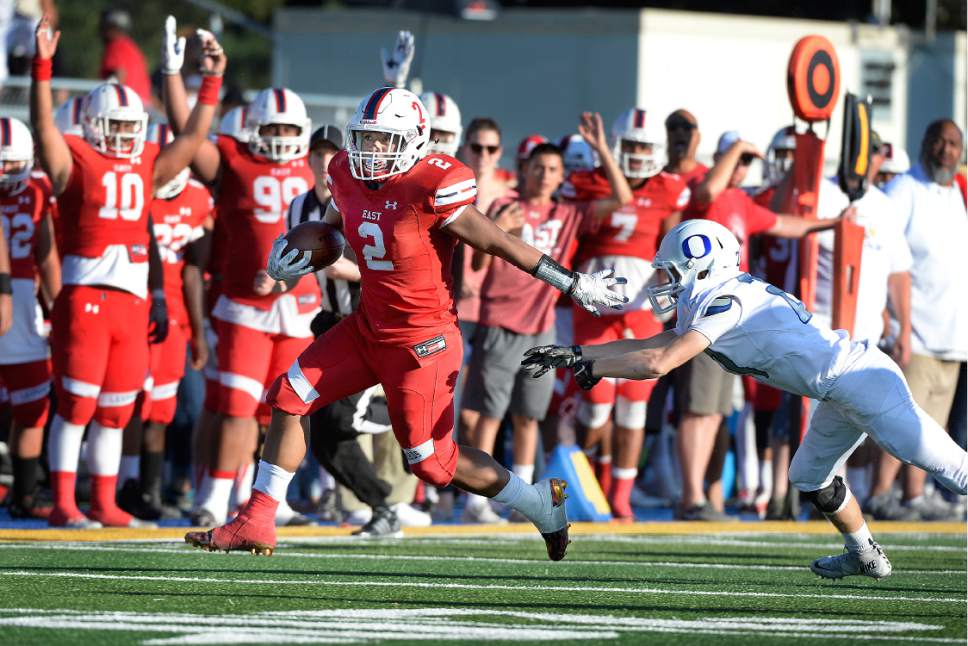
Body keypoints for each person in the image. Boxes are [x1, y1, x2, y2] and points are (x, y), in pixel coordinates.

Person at [185, 87, 628, 560]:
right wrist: (297, 256)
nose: (371, 151)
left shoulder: (431, 185)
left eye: (384, 141)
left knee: (432, 464)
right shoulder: (346, 173)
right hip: (367, 326)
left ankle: (538, 503)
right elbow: (333, 232)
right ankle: (257, 519)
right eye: (366, 138)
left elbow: (500, 243)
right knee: (288, 396)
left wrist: (573, 282)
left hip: (424, 342)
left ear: (415, 141)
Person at [523, 218, 968, 579]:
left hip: (863, 381)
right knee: (809, 475)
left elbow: (660, 361)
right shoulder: (720, 297)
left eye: (672, 271)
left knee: (950, 468)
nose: (666, 282)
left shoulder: (726, 300)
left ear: (702, 266)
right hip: (837, 390)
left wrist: (595, 368)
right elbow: (659, 340)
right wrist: (578, 354)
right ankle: (863, 554)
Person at [31, 15, 223, 528]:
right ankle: (67, 503)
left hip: (133, 303)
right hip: (87, 295)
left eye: (128, 127)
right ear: (94, 124)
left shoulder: (146, 163)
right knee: (75, 405)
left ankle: (105, 501)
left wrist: (209, 82)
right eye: (114, 125)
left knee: (117, 411)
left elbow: (192, 136)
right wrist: (42, 69)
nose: (121, 134)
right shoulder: (75, 158)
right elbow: (45, 128)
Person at [161, 19, 319, 527]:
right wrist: (184, 78)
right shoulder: (233, 160)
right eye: (270, 128)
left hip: (299, 308)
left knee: (285, 410)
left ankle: (271, 499)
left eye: (287, 129)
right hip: (246, 306)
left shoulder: (324, 169)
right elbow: (188, 136)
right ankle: (213, 495)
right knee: (233, 403)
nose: (278, 138)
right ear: (253, 129)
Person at [673, 130, 851, 520]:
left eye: (746, 161)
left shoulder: (740, 200)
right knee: (697, 409)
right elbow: (705, 192)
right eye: (736, 159)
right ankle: (690, 496)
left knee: (715, 411)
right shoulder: (708, 191)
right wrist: (736, 149)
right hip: (701, 306)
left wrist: (830, 223)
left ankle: (701, 498)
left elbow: (786, 224)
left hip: (729, 315)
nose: (742, 167)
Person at [461, 118, 632, 523]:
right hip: (501, 321)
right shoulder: (506, 205)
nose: (545, 175)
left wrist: (602, 148)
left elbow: (622, 197)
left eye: (554, 169)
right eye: (538, 167)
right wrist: (500, 228)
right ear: (525, 169)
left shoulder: (569, 212)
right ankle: (476, 500)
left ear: (562, 176)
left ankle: (519, 497)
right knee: (489, 415)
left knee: (529, 416)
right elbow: (478, 260)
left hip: (542, 325)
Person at [561, 108, 688, 519]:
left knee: (634, 407)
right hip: (595, 302)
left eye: (643, 145)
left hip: (642, 305)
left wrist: (666, 285)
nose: (636, 153)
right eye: (630, 144)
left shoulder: (670, 188)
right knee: (596, 404)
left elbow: (674, 246)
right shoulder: (586, 182)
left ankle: (620, 494)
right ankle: (591, 475)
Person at [868, 119, 967, 521]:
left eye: (954, 144)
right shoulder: (903, 190)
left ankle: (912, 497)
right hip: (916, 332)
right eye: (939, 141)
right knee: (902, 422)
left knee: (932, 431)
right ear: (925, 143)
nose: (946, 150)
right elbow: (884, 257)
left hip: (952, 333)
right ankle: (878, 495)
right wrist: (894, 323)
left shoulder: (956, 193)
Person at [116, 123, 213, 520]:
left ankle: (153, 488)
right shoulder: (135, 195)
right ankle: (127, 484)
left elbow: (196, 269)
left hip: (177, 320)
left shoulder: (200, 198)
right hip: (136, 310)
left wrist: (198, 328)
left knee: (165, 408)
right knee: (129, 403)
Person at [0, 117, 60, 519]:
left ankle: (24, 492)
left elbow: (47, 252)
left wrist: (56, 305)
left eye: (11, 164)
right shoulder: (37, 187)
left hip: (23, 299)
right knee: (29, 403)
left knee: (32, 404)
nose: (5, 172)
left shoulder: (40, 189)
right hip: (15, 294)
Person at [98, 9, 151, 105]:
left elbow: (120, 74)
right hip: (140, 105)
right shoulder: (132, 47)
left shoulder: (115, 46)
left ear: (112, 28)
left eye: (106, 27)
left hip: (125, 106)